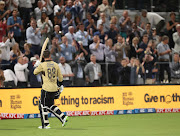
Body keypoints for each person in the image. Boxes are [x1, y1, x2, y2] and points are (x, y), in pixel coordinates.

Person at [34, 50, 68, 129]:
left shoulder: (42, 65)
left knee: (42, 106)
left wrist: (37, 65)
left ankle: (46, 124)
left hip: (46, 88)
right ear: (50, 55)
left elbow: (35, 72)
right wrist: (60, 85)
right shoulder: (56, 65)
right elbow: (60, 77)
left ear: (43, 57)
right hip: (54, 88)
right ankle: (63, 117)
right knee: (50, 105)